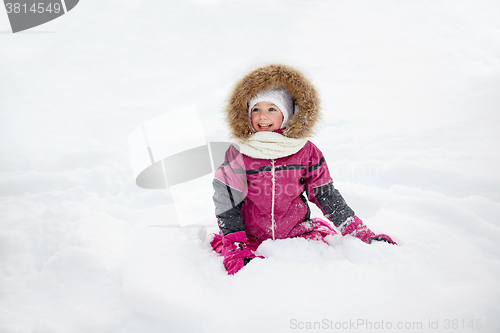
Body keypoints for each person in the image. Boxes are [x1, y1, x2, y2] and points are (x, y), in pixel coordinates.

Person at [210, 64, 396, 275]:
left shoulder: (304, 150)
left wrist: (357, 231)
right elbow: (226, 201)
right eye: (256, 110)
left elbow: (325, 195)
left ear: (286, 114)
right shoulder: (240, 153)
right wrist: (235, 246)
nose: (262, 117)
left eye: (271, 109)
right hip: (252, 239)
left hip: (296, 238)